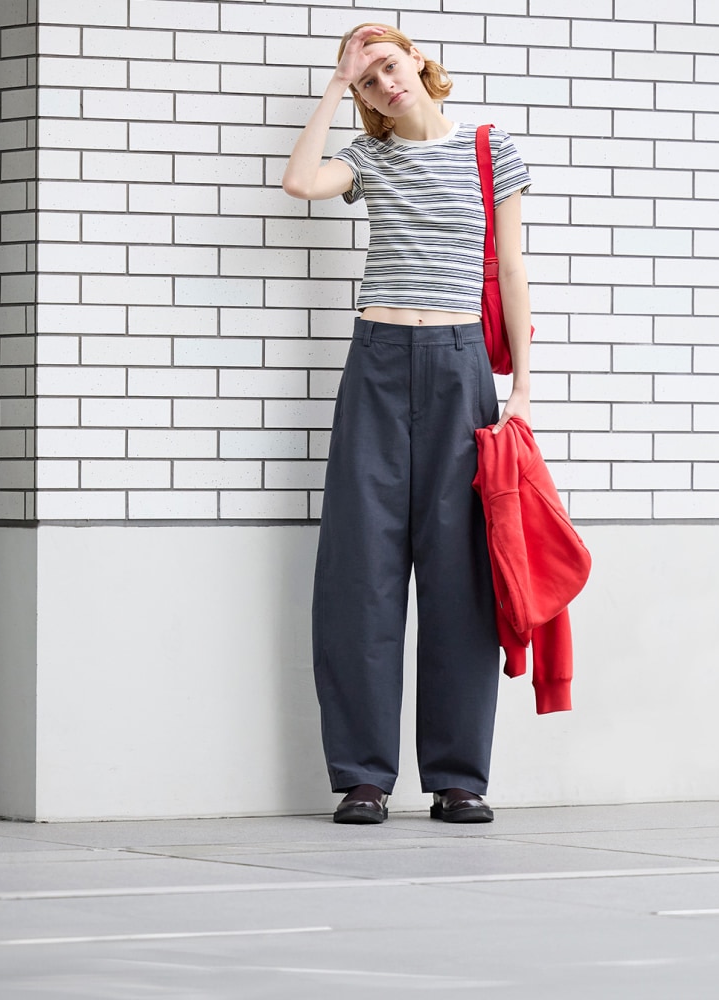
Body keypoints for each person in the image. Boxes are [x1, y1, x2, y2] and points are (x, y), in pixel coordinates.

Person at [281, 23, 534, 825]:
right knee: (361, 573)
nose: (382, 84)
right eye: (367, 81)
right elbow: (298, 183)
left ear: (418, 62)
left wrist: (522, 386)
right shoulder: (367, 159)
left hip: (462, 367)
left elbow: (515, 271)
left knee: (462, 576)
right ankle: (362, 776)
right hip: (379, 363)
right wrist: (332, 88)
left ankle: (459, 777)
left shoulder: (491, 154)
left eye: (387, 65)